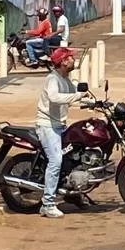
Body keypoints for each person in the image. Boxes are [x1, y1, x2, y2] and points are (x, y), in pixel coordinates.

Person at [35, 47, 86, 218]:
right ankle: (48, 204)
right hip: (48, 126)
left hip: (60, 125)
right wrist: (77, 96)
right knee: (56, 160)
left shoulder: (65, 79)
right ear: (63, 61)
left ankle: (72, 194)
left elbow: (75, 95)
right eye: (70, 57)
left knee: (73, 157)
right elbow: (55, 98)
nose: (73, 60)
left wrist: (96, 103)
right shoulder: (53, 79)